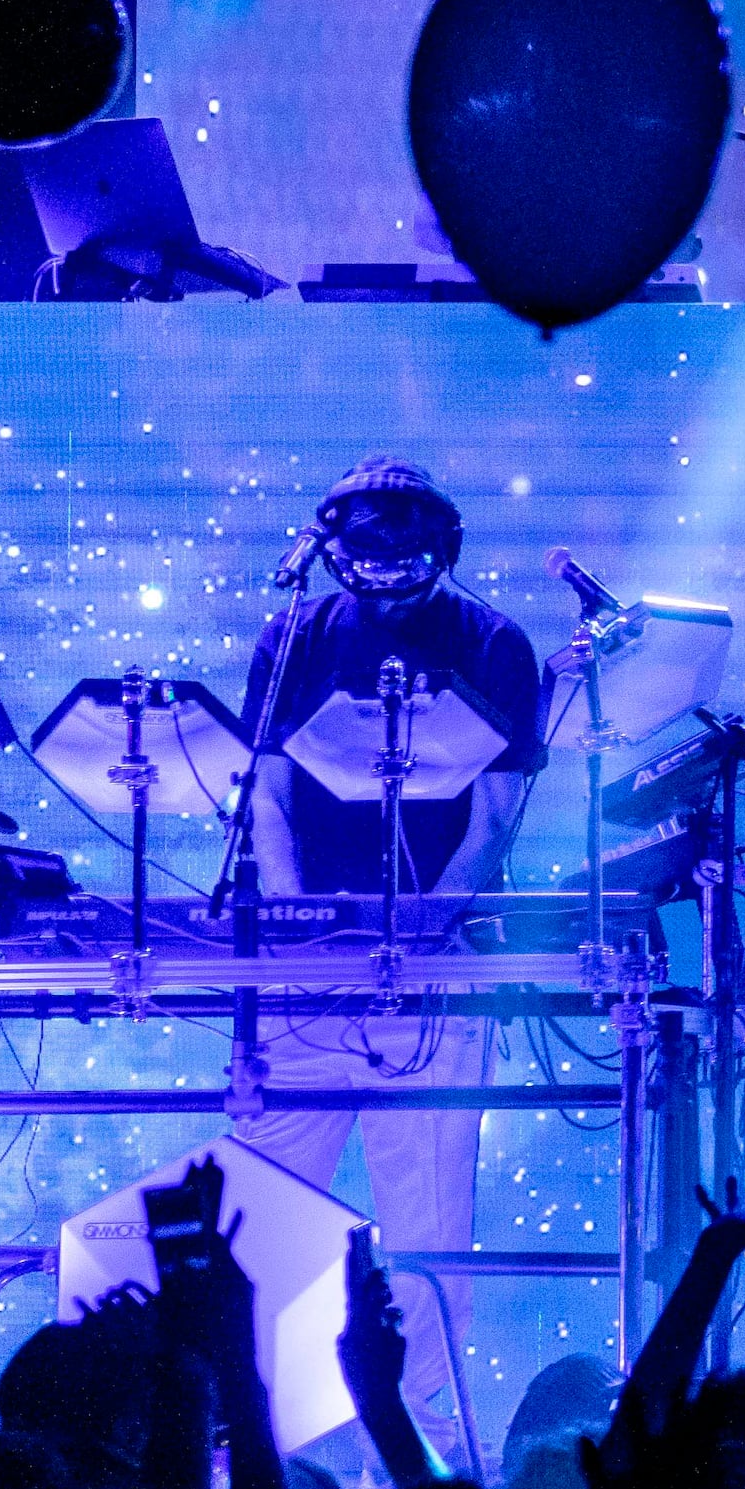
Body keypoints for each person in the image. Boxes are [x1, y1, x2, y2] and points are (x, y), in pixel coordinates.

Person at [223, 457, 545, 1437]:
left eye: (408, 562)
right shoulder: (293, 638)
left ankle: (424, 1441)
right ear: (335, 553)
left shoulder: (494, 644)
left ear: (440, 550)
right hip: (304, 970)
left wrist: (426, 932)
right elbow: (267, 790)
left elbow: (497, 816)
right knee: (255, 1201)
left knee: (430, 1223)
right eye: (367, 561)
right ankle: (242, 1426)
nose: (388, 580)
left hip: (431, 974)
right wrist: (291, 925)